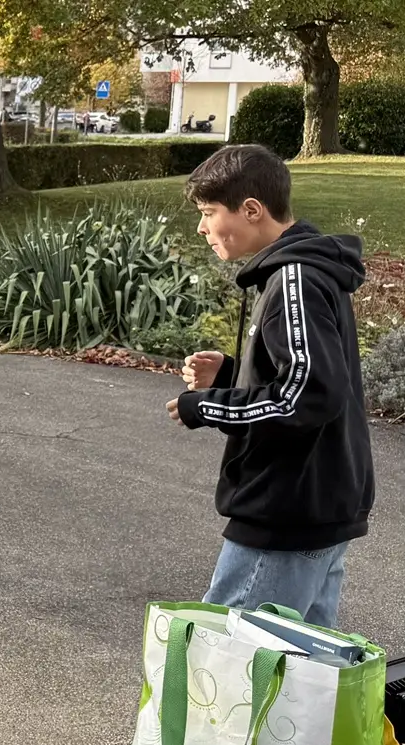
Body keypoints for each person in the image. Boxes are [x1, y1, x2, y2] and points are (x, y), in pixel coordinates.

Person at [165, 144, 374, 629]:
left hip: (287, 510)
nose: (202, 226)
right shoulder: (303, 272)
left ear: (252, 210)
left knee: (229, 665)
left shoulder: (295, 278)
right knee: (303, 672)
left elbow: (307, 396)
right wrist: (236, 371)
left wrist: (208, 406)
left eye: (209, 212)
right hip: (314, 504)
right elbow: (313, 377)